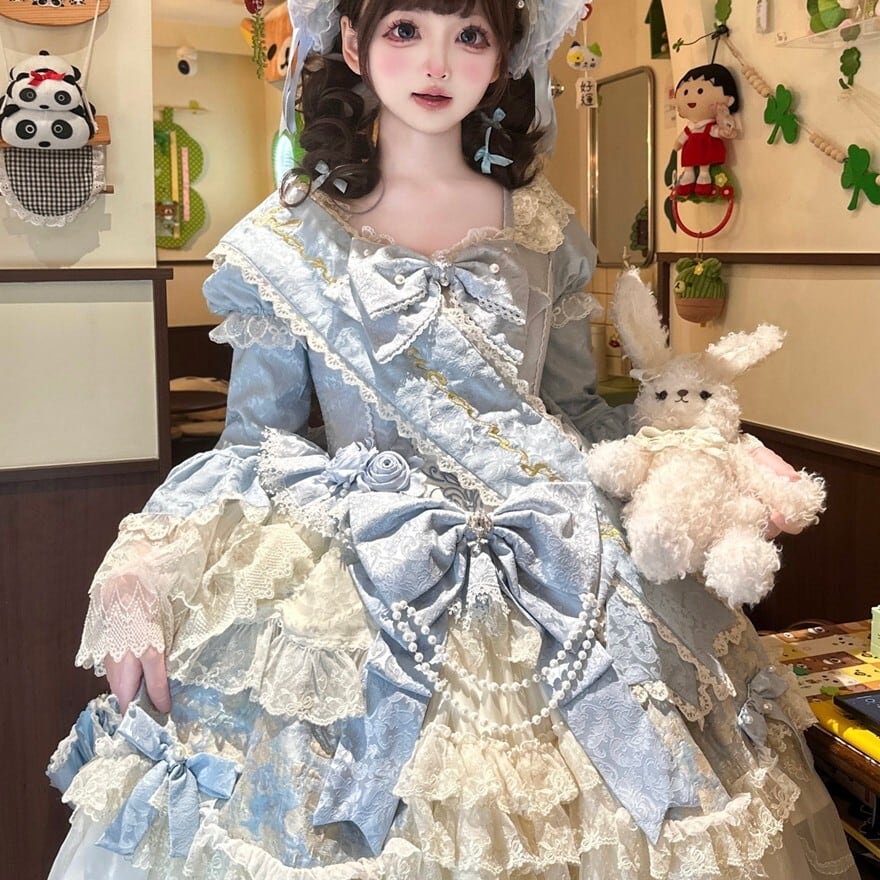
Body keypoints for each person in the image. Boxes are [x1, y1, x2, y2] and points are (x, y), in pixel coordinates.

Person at [47, 1, 858, 877]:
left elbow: (577, 413)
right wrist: (148, 560)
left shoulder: (544, 230)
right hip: (363, 570)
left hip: (564, 551)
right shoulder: (287, 240)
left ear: (503, 56)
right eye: (404, 30)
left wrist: (693, 450)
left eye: (469, 35)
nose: (436, 63)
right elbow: (254, 444)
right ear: (352, 42)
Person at [673, 62, 740, 198]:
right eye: (685, 92)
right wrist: (678, 144)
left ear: (729, 100)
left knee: (705, 164)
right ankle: (688, 175)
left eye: (700, 91)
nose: (691, 98)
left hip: (706, 150)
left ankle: (704, 176)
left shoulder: (709, 126)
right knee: (688, 164)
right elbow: (684, 136)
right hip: (690, 152)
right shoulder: (691, 126)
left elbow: (717, 132)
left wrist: (724, 132)